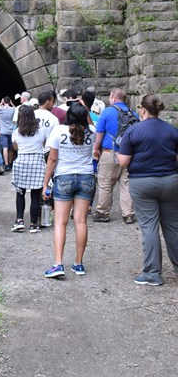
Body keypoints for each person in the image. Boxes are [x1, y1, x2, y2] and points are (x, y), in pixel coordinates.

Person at [117, 94, 178, 286]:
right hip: (170, 181)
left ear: (142, 110)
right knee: (172, 226)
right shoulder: (171, 130)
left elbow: (124, 161)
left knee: (149, 227)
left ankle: (152, 273)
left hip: (142, 182)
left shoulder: (134, 131)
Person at [43, 103, 96, 278]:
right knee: (81, 222)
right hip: (86, 177)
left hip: (64, 178)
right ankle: (78, 264)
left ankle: (58, 264)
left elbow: (52, 159)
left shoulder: (58, 131)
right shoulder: (92, 132)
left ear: (69, 116)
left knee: (60, 222)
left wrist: (45, 184)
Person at [92, 88, 137, 224]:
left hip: (109, 152)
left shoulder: (107, 112)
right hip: (128, 154)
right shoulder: (132, 113)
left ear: (113, 98)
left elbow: (99, 134)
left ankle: (103, 212)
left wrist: (95, 149)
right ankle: (128, 214)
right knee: (126, 184)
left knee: (105, 183)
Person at [11, 105, 47, 233]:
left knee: (20, 193)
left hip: (22, 162)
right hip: (37, 163)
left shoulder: (16, 132)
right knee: (35, 195)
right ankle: (33, 224)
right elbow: (43, 144)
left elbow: (15, 148)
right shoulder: (41, 131)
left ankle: (19, 221)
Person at [0, 96, 15, 172]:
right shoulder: (13, 109)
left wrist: (1, 103)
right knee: (11, 148)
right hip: (11, 132)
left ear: (3, 101)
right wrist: (11, 103)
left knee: (5, 148)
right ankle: (11, 163)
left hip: (3, 132)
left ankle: (6, 164)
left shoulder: (0, 109)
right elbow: (16, 109)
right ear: (9, 101)